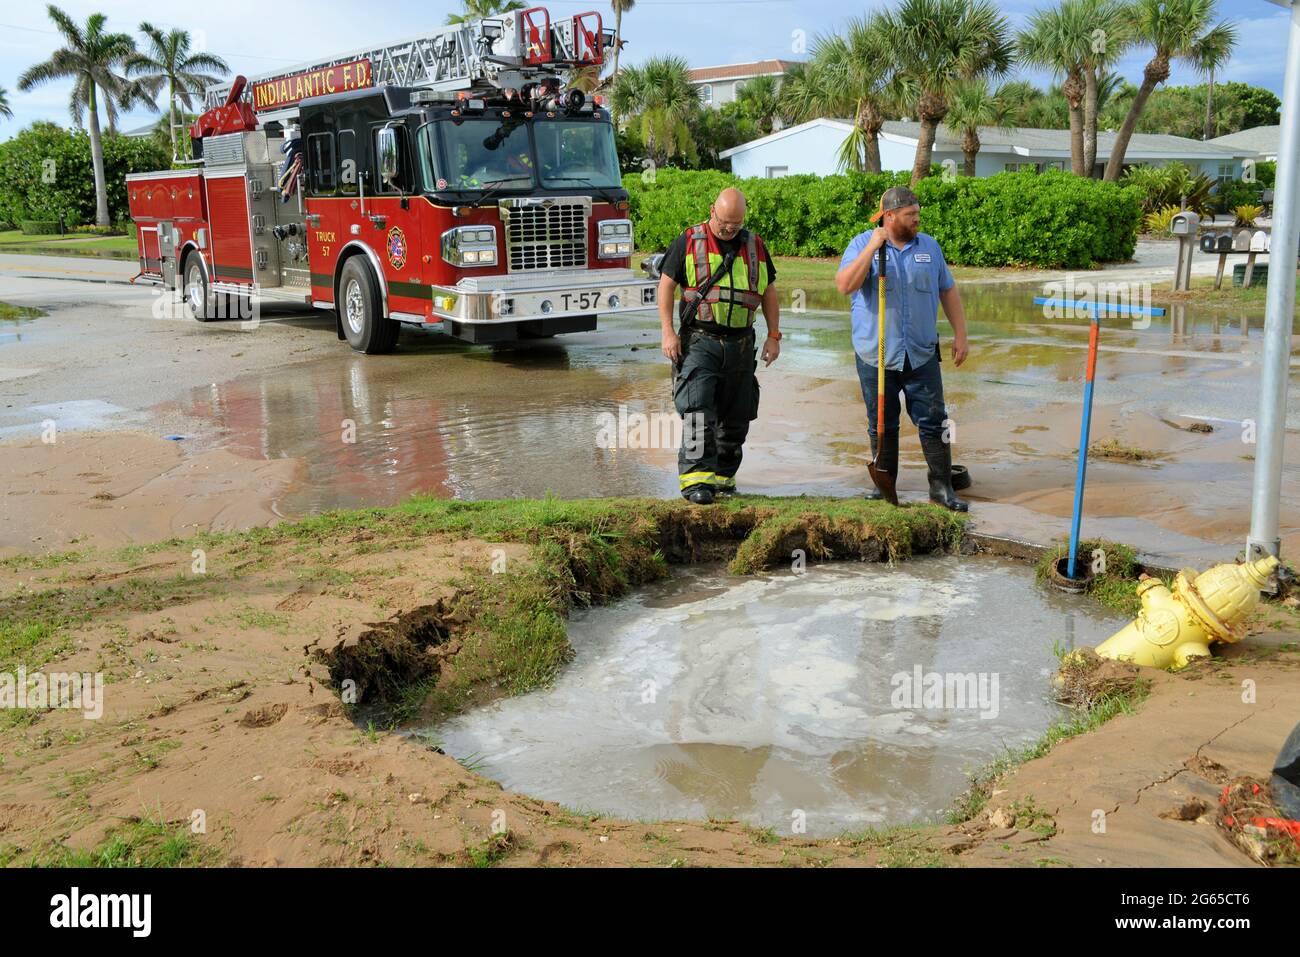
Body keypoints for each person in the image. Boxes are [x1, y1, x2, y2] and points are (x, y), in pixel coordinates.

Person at [835, 185, 970, 511]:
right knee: (881, 421)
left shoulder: (929, 248)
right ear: (890, 216)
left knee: (935, 420)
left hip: (921, 353)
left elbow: (947, 291)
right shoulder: (862, 244)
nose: (916, 220)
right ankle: (885, 487)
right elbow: (844, 286)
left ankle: (941, 488)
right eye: (911, 216)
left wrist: (961, 334)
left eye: (917, 214)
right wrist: (872, 248)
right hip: (876, 355)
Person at [658, 187, 780, 504]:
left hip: (741, 343)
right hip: (699, 340)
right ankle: (696, 483)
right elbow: (666, 286)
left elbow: (768, 291)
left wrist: (773, 335)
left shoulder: (755, 245)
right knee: (699, 414)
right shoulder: (687, 241)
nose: (729, 229)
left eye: (736, 224)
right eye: (725, 222)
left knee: (737, 419)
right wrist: (667, 332)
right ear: (712, 210)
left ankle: (724, 480)